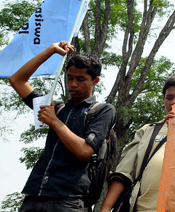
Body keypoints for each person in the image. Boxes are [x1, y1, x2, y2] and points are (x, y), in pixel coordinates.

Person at [9, 41, 116, 212]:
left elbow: (84, 151)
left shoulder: (102, 110)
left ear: (95, 81)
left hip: (68, 199)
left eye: (81, 79)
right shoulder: (57, 108)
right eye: (69, 78)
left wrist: (54, 121)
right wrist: (50, 50)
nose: (73, 84)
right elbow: (17, 80)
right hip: (34, 195)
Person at [100, 74, 175, 212]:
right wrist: (106, 208)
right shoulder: (147, 131)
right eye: (169, 98)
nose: (174, 102)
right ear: (164, 100)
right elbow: (124, 173)